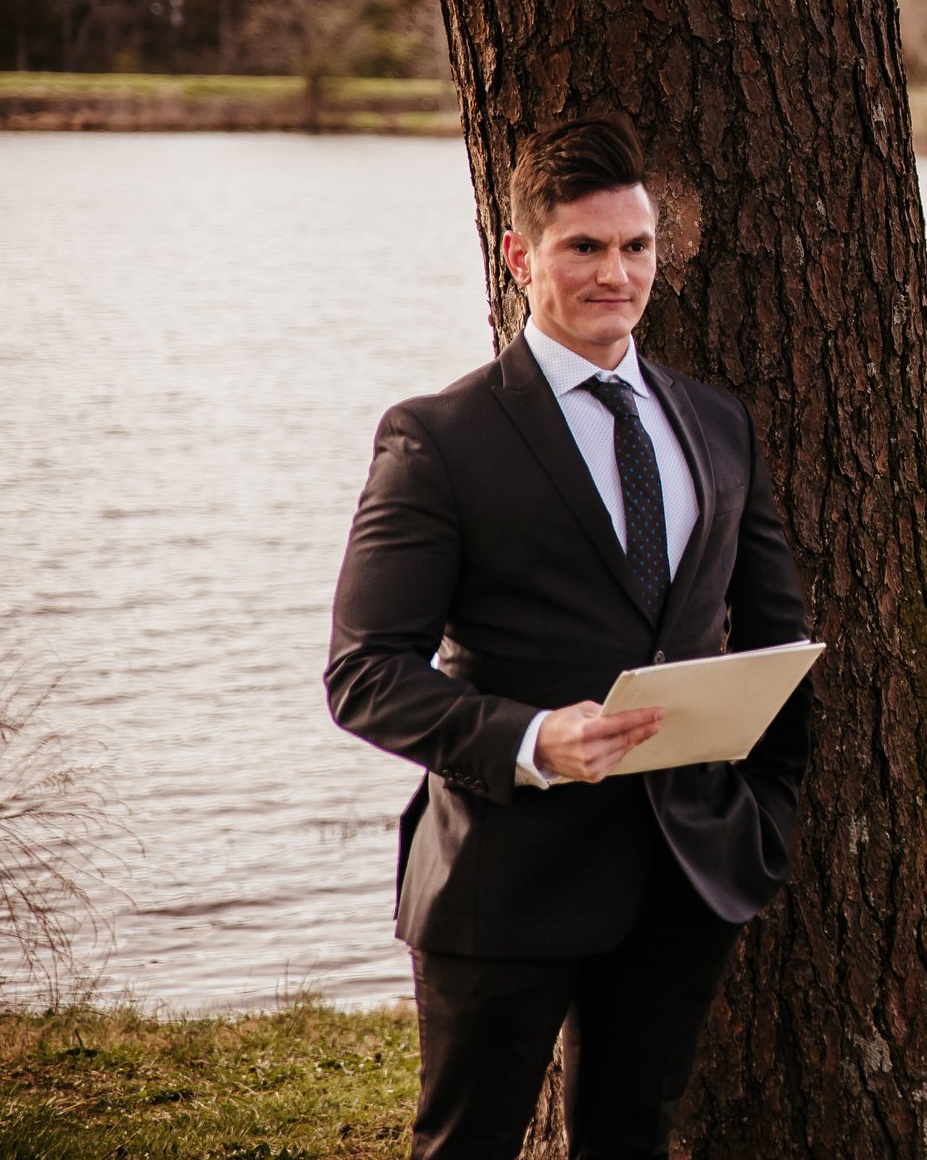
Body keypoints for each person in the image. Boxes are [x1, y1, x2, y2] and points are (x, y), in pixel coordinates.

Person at [326, 114, 811, 1160]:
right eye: (584, 247)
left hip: (686, 869)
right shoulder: (440, 437)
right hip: (503, 875)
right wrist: (530, 737)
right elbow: (365, 673)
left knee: (632, 1137)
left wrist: (764, 812)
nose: (616, 273)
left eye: (635, 246)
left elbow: (778, 633)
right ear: (521, 255)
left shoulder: (716, 422)